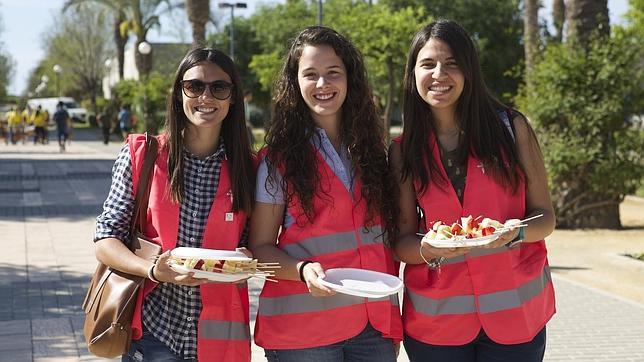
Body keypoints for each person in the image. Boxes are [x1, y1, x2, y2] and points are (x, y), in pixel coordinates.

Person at [389, 19, 557, 362]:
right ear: (413, 74)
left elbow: (546, 217)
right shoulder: (403, 149)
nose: (439, 74)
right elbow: (402, 242)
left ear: (469, 71)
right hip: (437, 325)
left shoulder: (512, 129)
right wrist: (428, 247)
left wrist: (516, 233)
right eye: (428, 64)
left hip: (516, 320)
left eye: (452, 63)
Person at [248, 26, 402, 361]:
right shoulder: (278, 160)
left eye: (333, 73)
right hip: (303, 335)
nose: (322, 84)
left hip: (373, 327)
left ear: (350, 79)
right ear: (295, 82)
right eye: (311, 74)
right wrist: (302, 270)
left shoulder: (374, 151)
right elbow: (259, 247)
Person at [94, 47, 256, 361]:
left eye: (219, 88)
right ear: (179, 93)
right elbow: (105, 240)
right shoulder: (143, 155)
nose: (206, 97)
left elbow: (253, 247)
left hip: (221, 340)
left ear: (233, 97)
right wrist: (153, 269)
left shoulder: (249, 169)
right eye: (194, 86)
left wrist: (246, 261)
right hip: (154, 334)